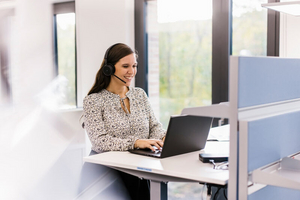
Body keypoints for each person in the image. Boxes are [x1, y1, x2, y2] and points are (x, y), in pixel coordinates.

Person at [81, 43, 166, 200]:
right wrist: (135, 142)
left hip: (138, 170)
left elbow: (154, 126)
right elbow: (100, 142)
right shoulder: (93, 101)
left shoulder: (140, 94)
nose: (132, 71)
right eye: (126, 66)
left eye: (134, 66)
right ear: (109, 69)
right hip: (105, 175)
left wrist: (163, 137)